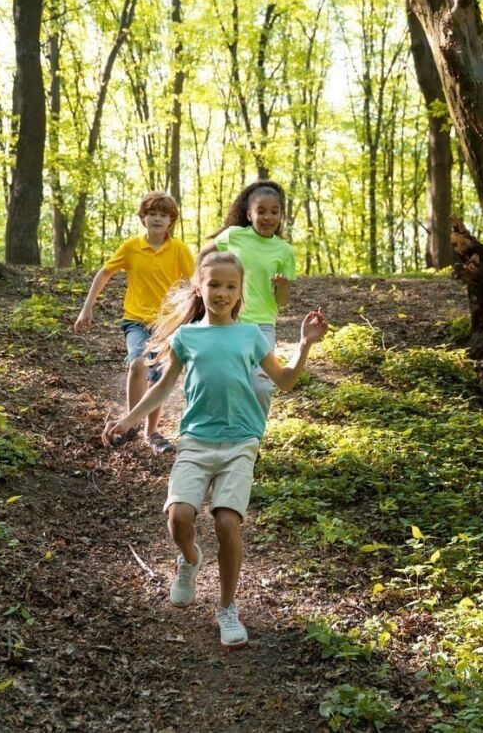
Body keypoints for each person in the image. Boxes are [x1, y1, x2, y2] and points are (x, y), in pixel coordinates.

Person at [104, 252, 327, 648]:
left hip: (241, 440)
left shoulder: (250, 335)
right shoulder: (187, 337)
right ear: (199, 288)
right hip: (195, 440)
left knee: (227, 522)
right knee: (178, 516)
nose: (222, 292)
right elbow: (163, 387)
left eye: (230, 286)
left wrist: (305, 344)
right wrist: (129, 419)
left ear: (240, 292)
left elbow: (286, 380)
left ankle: (226, 607)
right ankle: (189, 560)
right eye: (214, 285)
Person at [73, 191, 195, 454]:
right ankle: (130, 423)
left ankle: (152, 432)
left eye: (163, 215)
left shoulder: (179, 250)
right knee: (138, 363)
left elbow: (195, 283)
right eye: (152, 214)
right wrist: (87, 307)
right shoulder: (131, 248)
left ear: (171, 220)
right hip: (136, 320)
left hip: (168, 324)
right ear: (143, 218)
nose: (157, 219)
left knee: (160, 377)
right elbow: (105, 272)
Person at [199, 180, 296, 414]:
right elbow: (204, 255)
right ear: (249, 214)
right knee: (226, 382)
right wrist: (199, 285)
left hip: (262, 326)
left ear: (281, 215)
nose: (268, 217)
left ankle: (254, 439)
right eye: (261, 211)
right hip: (228, 320)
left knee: (261, 387)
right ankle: (224, 430)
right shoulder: (234, 235)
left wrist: (282, 286)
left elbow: (282, 302)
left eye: (274, 211)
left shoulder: (284, 251)